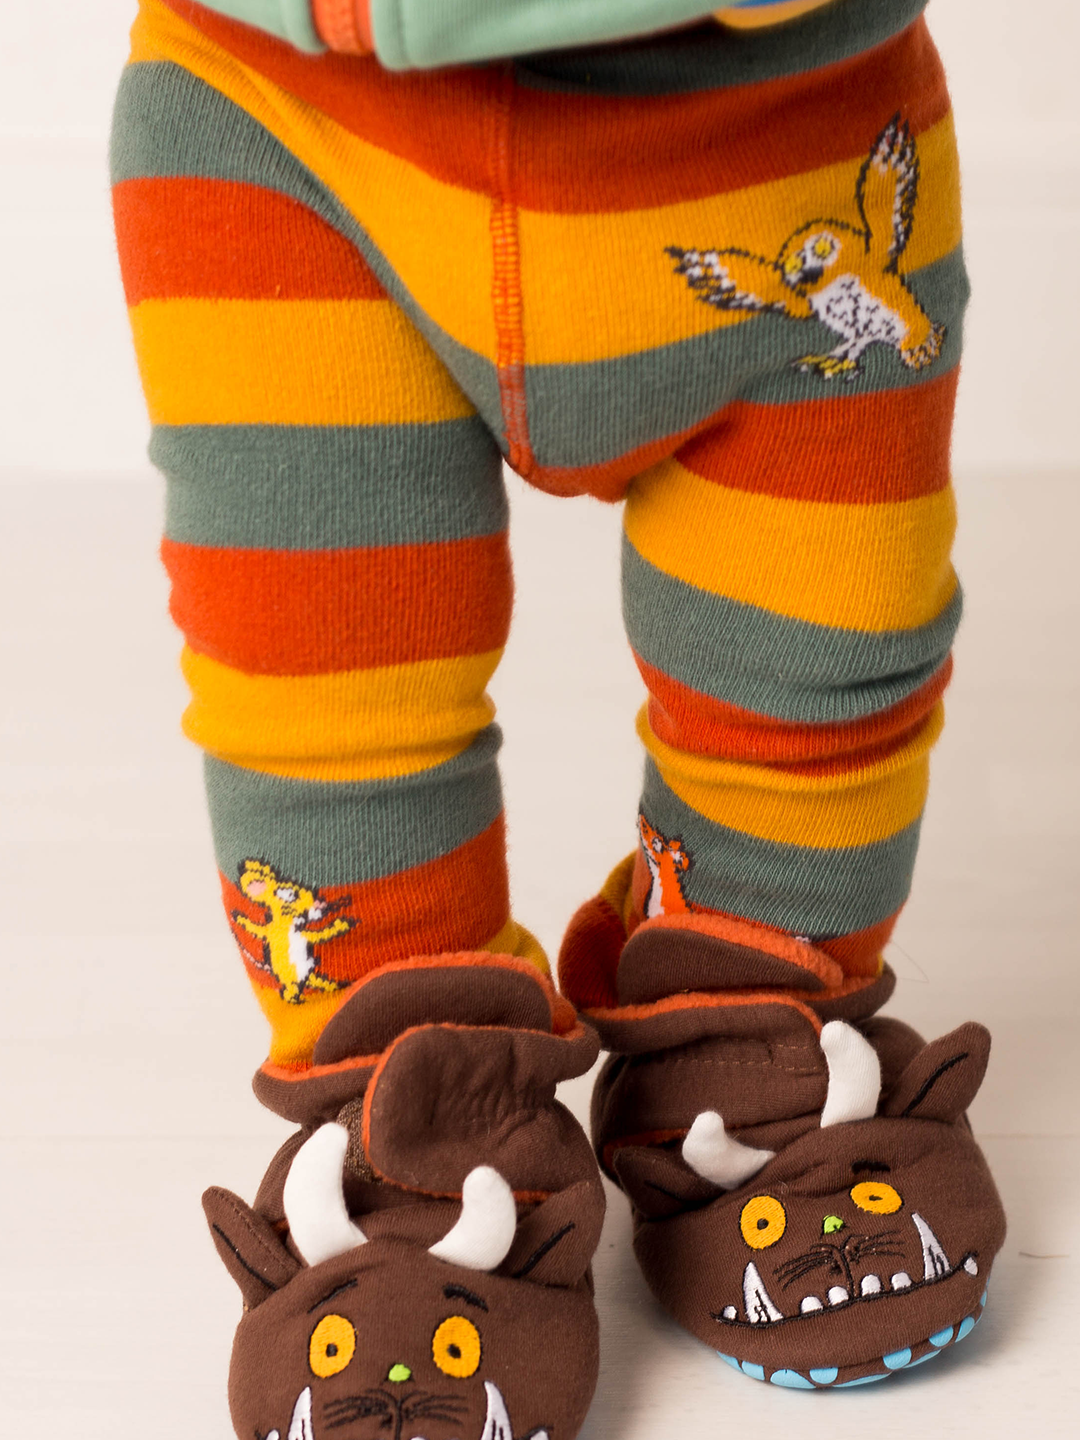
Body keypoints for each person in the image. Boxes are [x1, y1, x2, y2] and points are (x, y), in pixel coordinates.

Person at [110, 0, 1005, 1432]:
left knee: (823, 651)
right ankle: (411, 1110)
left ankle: (753, 1001)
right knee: (322, 683)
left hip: (783, 128)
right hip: (293, 129)